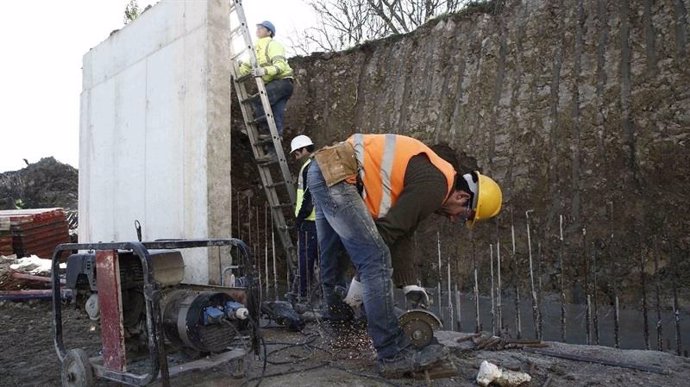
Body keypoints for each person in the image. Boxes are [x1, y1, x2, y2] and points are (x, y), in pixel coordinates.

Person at [307, 133, 502, 378]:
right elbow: (387, 234)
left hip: (323, 167)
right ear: (463, 197)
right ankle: (392, 352)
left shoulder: (434, 177)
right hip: (340, 176)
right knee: (376, 259)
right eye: (464, 216)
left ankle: (338, 319)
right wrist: (359, 280)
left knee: (332, 256)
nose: (455, 219)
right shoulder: (437, 185)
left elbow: (403, 229)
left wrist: (409, 283)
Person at [239, 20, 294, 137]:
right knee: (276, 113)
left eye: (261, 28)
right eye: (257, 27)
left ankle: (264, 130)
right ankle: (275, 145)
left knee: (259, 100)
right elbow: (246, 66)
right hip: (279, 85)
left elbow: (280, 66)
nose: (257, 29)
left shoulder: (273, 45)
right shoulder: (257, 49)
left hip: (282, 82)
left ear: (269, 32)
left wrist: (264, 70)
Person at [290, 135, 318, 300]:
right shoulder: (316, 164)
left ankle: (303, 295)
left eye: (296, 152)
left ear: (305, 149)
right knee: (321, 260)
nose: (295, 156)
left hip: (309, 222)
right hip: (319, 221)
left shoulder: (309, 168)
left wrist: (299, 219)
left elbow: (308, 198)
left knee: (305, 260)